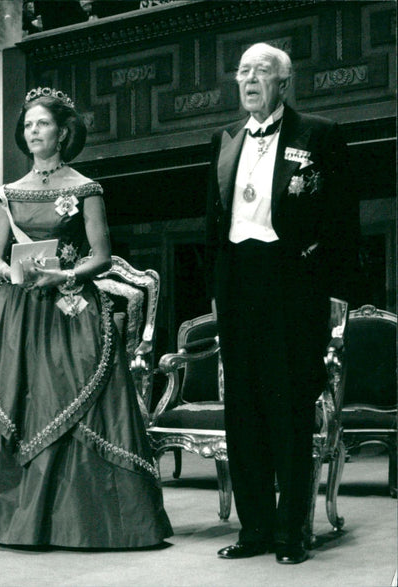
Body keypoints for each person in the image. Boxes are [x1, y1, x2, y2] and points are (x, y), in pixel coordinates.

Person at [0, 87, 173, 548]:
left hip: (70, 308)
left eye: (41, 124)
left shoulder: (86, 188)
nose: (33, 132)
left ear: (62, 133)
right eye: (27, 126)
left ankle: (76, 521)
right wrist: (15, 276)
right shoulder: (8, 192)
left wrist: (61, 273)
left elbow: (101, 256)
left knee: (65, 397)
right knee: (13, 404)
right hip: (16, 313)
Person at [206, 43, 359, 565]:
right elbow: (214, 225)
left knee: (289, 411)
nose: (249, 80)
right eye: (243, 71)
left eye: (261, 72)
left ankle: (292, 533)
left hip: (293, 286)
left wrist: (331, 293)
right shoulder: (223, 139)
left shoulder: (319, 133)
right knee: (243, 412)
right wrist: (219, 290)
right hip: (239, 288)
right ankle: (255, 532)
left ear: (285, 82)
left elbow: (343, 222)